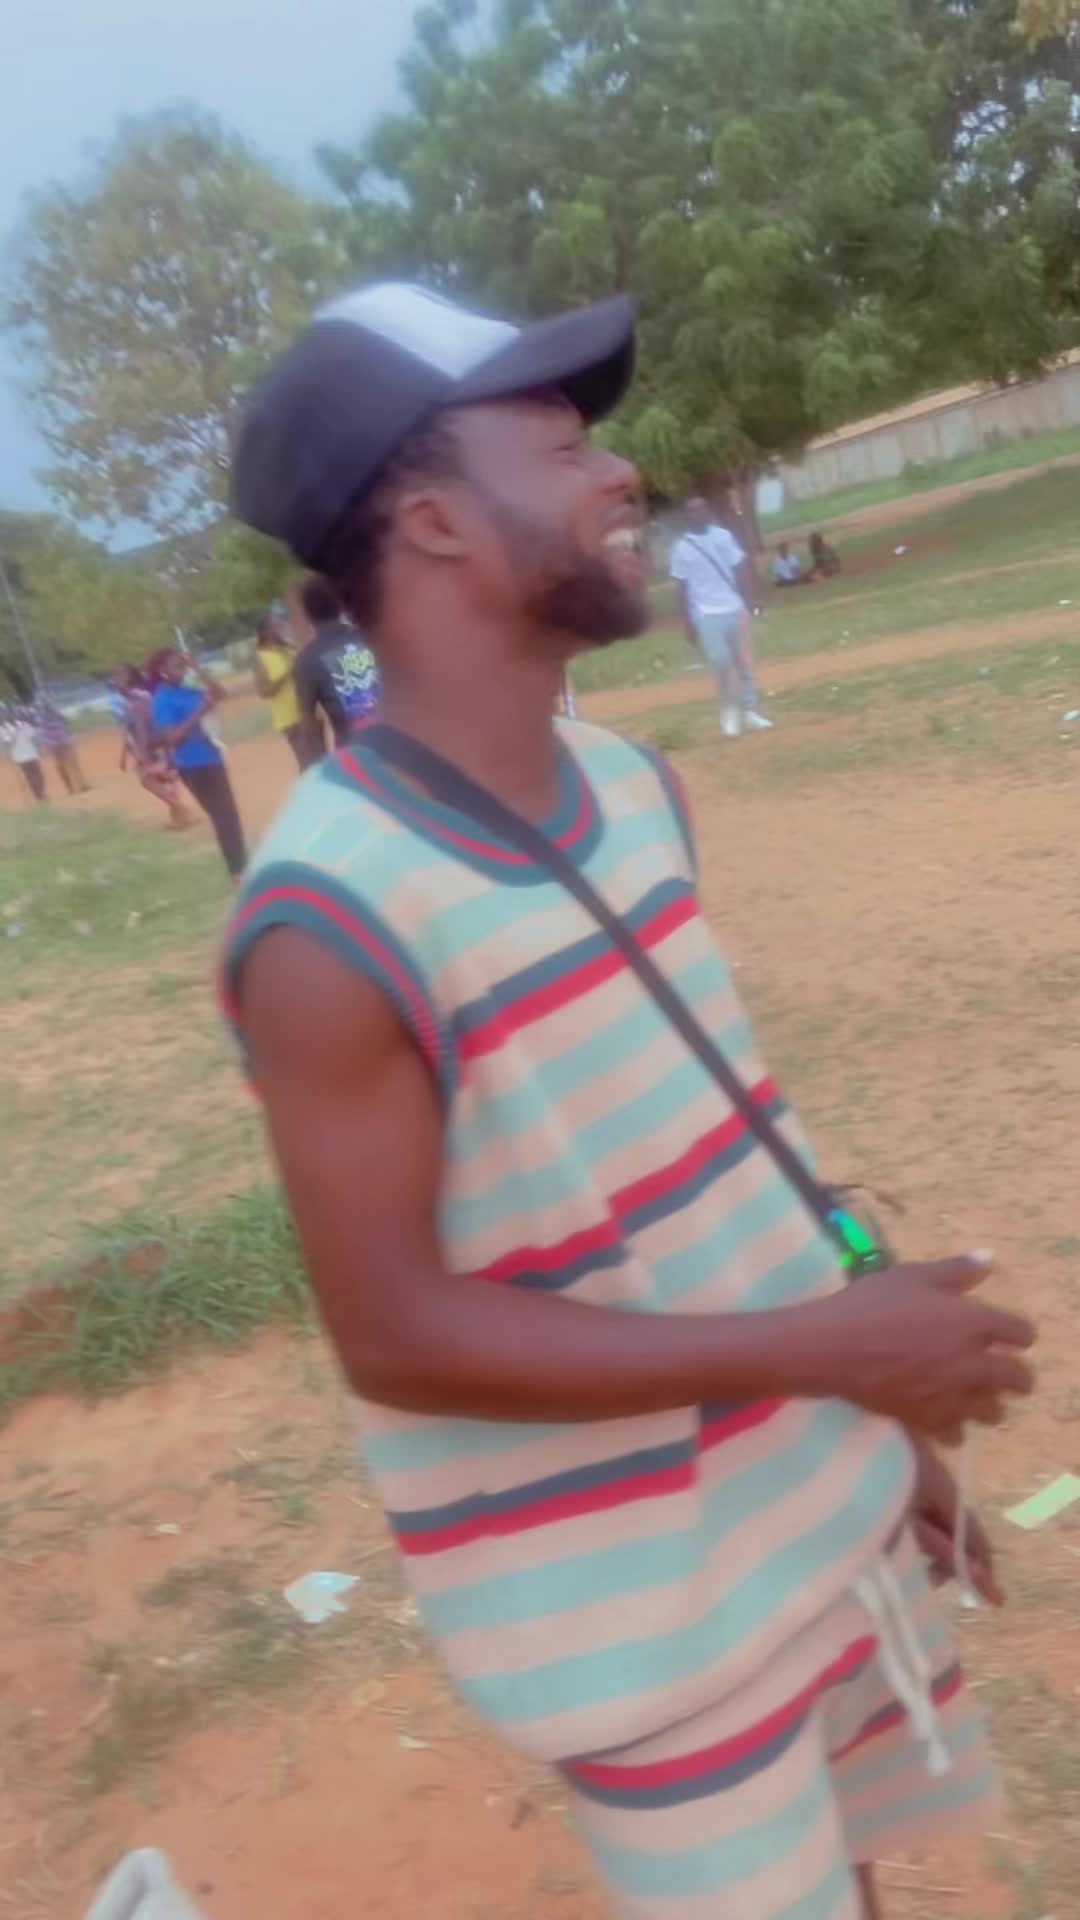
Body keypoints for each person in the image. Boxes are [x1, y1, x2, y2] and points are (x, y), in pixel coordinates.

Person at [224, 282, 1034, 1920]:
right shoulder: (327, 924)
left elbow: (737, 1146)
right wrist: (829, 1354)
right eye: (561, 443)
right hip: (646, 1625)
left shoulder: (632, 788)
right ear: (433, 520)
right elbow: (396, 1335)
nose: (621, 472)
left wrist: (872, 1434)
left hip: (812, 1503)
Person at [670, 497, 773, 737]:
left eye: (701, 508)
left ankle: (750, 711)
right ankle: (729, 712)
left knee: (744, 662)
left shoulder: (723, 537)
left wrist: (750, 601)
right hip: (706, 614)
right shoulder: (682, 548)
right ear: (686, 516)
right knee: (721, 662)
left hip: (735, 609)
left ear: (708, 511)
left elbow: (740, 569)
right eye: (691, 510)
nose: (697, 513)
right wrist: (687, 623)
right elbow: (680, 588)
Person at [147, 648, 247, 878]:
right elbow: (171, 739)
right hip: (193, 765)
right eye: (176, 665)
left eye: (182, 665)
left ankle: (241, 868)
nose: (181, 669)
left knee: (228, 816)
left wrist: (198, 668)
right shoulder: (162, 699)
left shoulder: (187, 691)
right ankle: (238, 873)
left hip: (211, 757)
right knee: (224, 817)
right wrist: (200, 711)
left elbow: (220, 692)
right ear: (162, 670)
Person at [291, 575, 379, 757]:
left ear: (307, 613)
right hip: (402, 745)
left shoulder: (307, 661)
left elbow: (310, 728)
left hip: (356, 758)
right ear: (340, 605)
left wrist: (318, 767)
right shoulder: (372, 636)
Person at [113, 665, 191, 830]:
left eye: (120, 679)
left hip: (153, 745)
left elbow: (141, 728)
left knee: (148, 779)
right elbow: (130, 730)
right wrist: (125, 754)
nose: (116, 683)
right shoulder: (138, 698)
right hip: (158, 743)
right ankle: (178, 816)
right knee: (165, 778)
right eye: (116, 678)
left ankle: (179, 808)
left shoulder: (135, 701)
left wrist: (142, 754)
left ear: (130, 681)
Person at [252, 612, 306, 768]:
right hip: (288, 716)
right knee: (305, 759)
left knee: (320, 755)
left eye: (280, 625)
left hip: (307, 709)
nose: (280, 629)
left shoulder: (288, 648)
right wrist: (286, 674)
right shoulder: (261, 657)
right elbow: (263, 692)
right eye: (275, 626)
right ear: (265, 632)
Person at [33, 694, 90, 793]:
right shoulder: (50, 714)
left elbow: (40, 731)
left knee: (63, 765)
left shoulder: (41, 716)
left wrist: (42, 744)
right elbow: (66, 722)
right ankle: (79, 785)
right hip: (60, 740)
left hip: (55, 742)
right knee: (69, 764)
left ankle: (73, 787)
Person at [1, 705, 46, 802]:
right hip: (20, 756)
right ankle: (39, 795)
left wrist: (38, 747)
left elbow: (32, 735)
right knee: (30, 775)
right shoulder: (4, 728)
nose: (7, 715)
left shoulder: (21, 723)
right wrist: (13, 734)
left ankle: (41, 791)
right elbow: (7, 742)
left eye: (8, 713)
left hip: (31, 751)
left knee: (38, 773)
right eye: (4, 713)